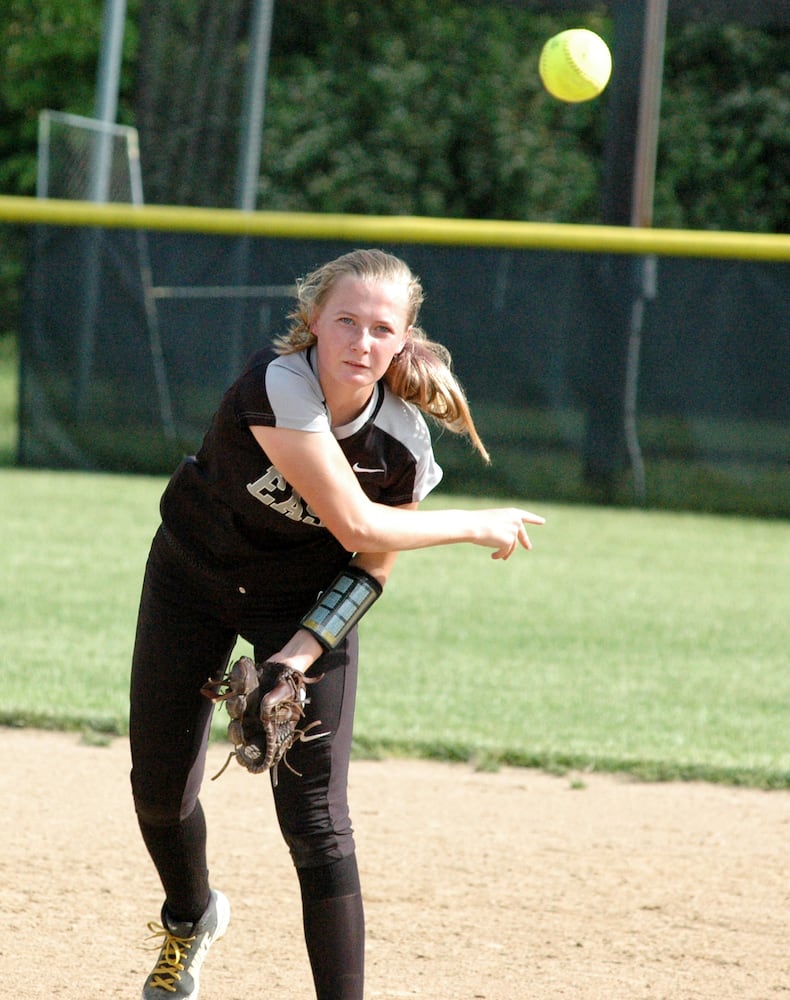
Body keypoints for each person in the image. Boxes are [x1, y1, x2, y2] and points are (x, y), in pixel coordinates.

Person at [130, 248, 544, 1000]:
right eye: (345, 321)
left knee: (317, 823)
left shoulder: (403, 445)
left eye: (381, 328)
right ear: (313, 321)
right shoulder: (279, 383)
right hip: (192, 577)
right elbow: (352, 517)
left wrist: (295, 656)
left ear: (403, 341)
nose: (360, 341)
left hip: (301, 600)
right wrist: (477, 521)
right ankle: (190, 919)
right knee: (159, 792)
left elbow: (370, 565)